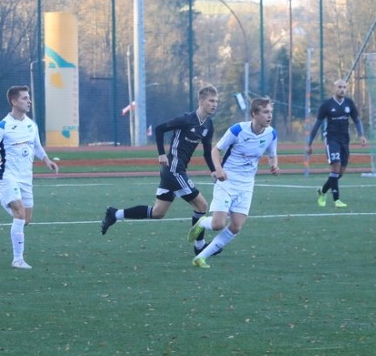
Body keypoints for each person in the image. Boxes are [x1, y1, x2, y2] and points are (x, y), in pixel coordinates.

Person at [101, 85, 219, 253]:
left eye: (216, 101)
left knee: (158, 212)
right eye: (211, 101)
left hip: (175, 171)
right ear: (201, 102)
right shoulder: (186, 119)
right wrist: (162, 154)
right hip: (173, 170)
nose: (215, 104)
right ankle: (199, 247)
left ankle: (115, 214)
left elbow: (207, 152)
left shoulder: (208, 125)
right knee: (202, 205)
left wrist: (213, 170)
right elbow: (159, 129)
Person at [187, 96, 279, 268]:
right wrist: (218, 169)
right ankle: (202, 223)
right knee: (217, 224)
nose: (269, 116)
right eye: (265, 112)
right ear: (254, 114)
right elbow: (216, 150)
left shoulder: (271, 133)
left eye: (270, 112)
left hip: (247, 185)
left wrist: (274, 165)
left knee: (236, 226)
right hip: (227, 181)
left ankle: (200, 258)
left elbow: (272, 154)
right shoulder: (237, 130)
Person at [0, 85, 59, 269]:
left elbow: (37, 146)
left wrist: (47, 160)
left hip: (26, 177)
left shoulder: (32, 125)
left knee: (25, 220)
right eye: (24, 98)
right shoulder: (2, 126)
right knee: (20, 214)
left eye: (28, 98)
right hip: (8, 175)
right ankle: (18, 259)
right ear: (14, 102)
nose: (29, 101)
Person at [306, 78, 367, 208]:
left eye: (344, 87)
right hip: (331, 139)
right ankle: (336, 200)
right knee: (335, 166)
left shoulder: (349, 103)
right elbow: (317, 125)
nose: (342, 90)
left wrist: (361, 135)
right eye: (339, 87)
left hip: (345, 140)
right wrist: (309, 143)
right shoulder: (327, 105)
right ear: (334, 88)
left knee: (340, 173)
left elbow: (357, 120)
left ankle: (322, 191)